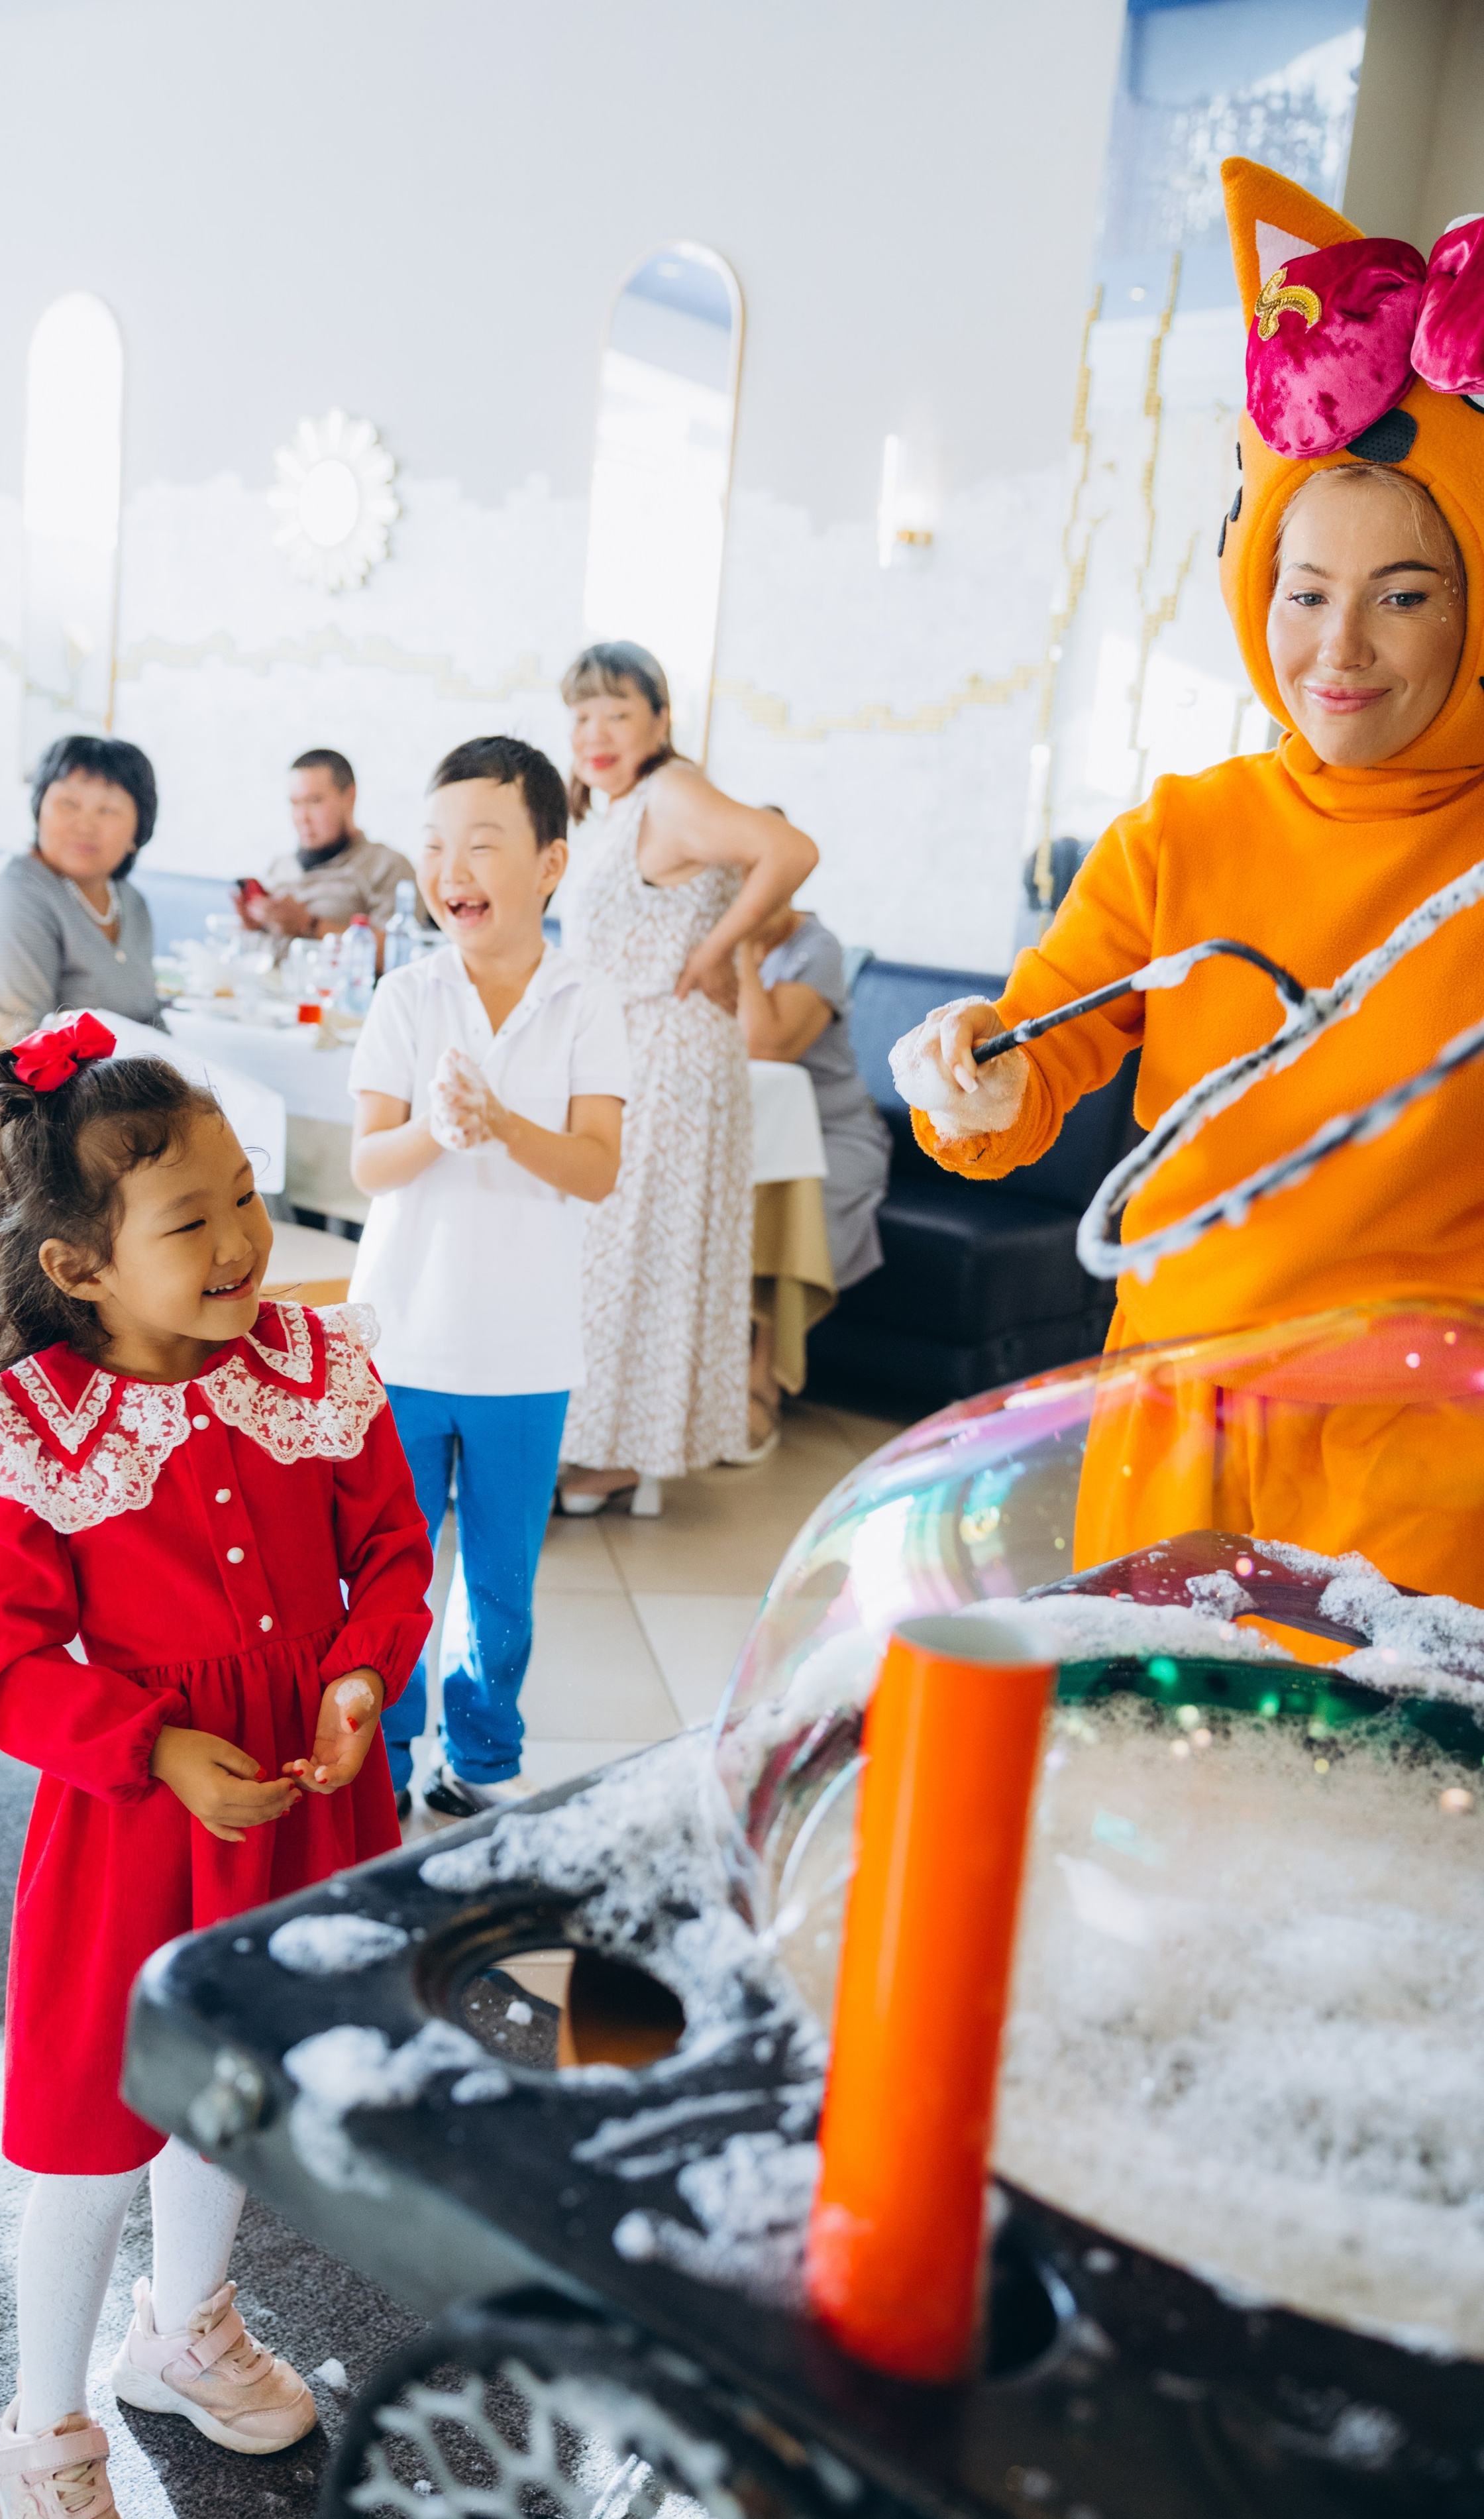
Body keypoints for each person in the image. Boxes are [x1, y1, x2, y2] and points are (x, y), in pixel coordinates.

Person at [893, 156, 1484, 1603]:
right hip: (1173, 1433)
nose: (1336, 651)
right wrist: (965, 1078)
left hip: (1427, 1461)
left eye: (1401, 595)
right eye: (1302, 593)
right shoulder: (1176, 837)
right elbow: (1024, 1073)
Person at [0, 1014, 433, 2519]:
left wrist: (358, 1677)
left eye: (245, 1195)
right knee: (98, 2133)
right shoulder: (27, 1432)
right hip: (137, 1835)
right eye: (190, 1216)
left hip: (301, 1805)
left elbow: (390, 1552)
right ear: (79, 1266)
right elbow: (15, 1663)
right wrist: (148, 1743)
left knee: (229, 2095)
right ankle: (41, 2426)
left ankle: (183, 2328)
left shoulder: (316, 1362)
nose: (239, 1240)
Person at [348, 735, 627, 1817]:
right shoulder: (408, 997)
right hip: (404, 1339)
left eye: (482, 844)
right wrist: (436, 1126)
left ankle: (482, 1756)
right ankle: (384, 1753)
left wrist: (505, 1126)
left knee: (500, 1585)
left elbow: (596, 1170)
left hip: (525, 1352)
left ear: (551, 865)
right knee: (391, 1572)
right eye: (434, 845)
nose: (450, 868)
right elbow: (372, 1161)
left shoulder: (585, 1002)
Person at [554, 643, 818, 1511]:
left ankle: (622, 1450)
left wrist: (713, 948)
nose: (596, 733)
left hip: (667, 1051)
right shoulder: (620, 807)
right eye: (583, 714)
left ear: (660, 721)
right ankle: (600, 1437)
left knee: (635, 1252)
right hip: (630, 1045)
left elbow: (788, 848)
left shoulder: (671, 790)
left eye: (618, 713)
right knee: (614, 1253)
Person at [736, 885, 891, 1431]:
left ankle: (764, 1383)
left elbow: (768, 1045)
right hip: (747, 1132)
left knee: (798, 1213)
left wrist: (738, 950)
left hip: (833, 1134)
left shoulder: (816, 948)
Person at [0, 735, 164, 1044]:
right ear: (39, 811)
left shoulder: (131, 902)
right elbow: (23, 1046)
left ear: (138, 829)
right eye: (69, 804)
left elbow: (153, 1024)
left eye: (107, 810)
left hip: (129, 1085)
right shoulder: (11, 893)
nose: (85, 825)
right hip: (35, 1090)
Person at [238, 747, 415, 945]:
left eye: (314, 801)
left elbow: (400, 952)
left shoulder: (387, 867)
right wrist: (254, 927)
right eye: (295, 803)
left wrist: (309, 924)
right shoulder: (279, 866)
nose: (302, 818)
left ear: (350, 797)